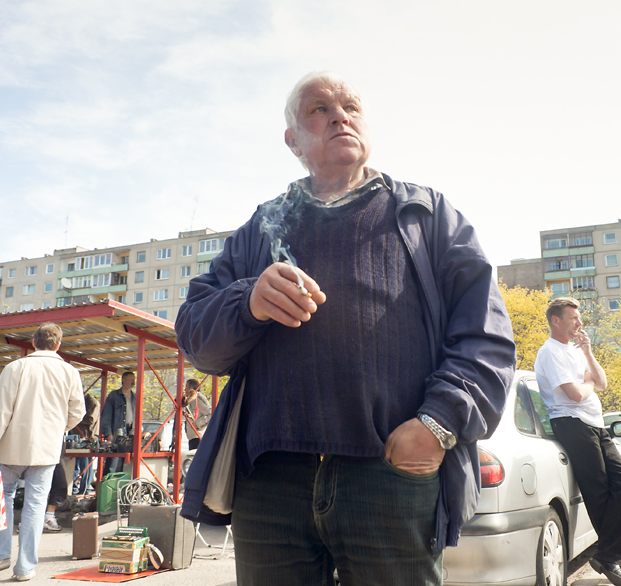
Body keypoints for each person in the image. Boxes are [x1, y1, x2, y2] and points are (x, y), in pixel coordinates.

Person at [175, 71, 516, 585]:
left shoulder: (426, 215)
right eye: (319, 109)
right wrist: (248, 301)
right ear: (293, 141)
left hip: (390, 474)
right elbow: (196, 339)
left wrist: (438, 424)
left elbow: (485, 336)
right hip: (270, 484)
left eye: (351, 107)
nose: (339, 116)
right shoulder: (261, 228)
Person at [533, 297, 621, 586]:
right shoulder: (550, 352)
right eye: (574, 318)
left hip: (594, 424)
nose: (580, 323)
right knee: (600, 495)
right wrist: (588, 382)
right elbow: (575, 394)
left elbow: (602, 383)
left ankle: (611, 558)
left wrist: (588, 353)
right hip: (571, 424)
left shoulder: (576, 351)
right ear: (556, 320)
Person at [0, 322, 85, 582]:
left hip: (10, 446)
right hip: (46, 448)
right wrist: (58, 428)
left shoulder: (15, 368)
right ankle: (25, 567)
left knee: (3, 497)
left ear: (33, 343)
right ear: (58, 345)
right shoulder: (69, 372)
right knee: (36, 504)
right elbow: (78, 412)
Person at [100, 371, 136, 475]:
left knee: (126, 462)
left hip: (131, 431)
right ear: (123, 380)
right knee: (112, 461)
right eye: (131, 379)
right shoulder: (114, 395)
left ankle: (121, 482)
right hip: (117, 431)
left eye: (134, 379)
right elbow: (106, 415)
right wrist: (108, 433)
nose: (133, 381)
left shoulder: (135, 397)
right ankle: (108, 482)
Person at [72, 389, 100, 495]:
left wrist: (74, 418)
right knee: (74, 465)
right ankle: (73, 488)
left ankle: (85, 489)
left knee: (85, 465)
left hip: (87, 438)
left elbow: (90, 419)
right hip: (76, 437)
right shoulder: (79, 402)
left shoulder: (92, 402)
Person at [182, 379, 211, 451]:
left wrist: (198, 424)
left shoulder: (198, 399)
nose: (185, 389)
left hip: (198, 437)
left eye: (186, 387)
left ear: (191, 388)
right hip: (193, 437)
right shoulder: (190, 400)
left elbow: (211, 414)